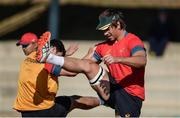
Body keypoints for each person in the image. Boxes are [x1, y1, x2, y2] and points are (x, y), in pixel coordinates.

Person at [36, 9, 147, 117]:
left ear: (118, 24)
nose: (105, 33)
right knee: (88, 65)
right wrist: (58, 59)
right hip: (112, 88)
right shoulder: (102, 47)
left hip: (130, 95)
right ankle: (48, 57)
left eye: (107, 29)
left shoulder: (133, 40)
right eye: (103, 30)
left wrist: (118, 59)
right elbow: (80, 66)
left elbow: (142, 61)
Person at [13, 32, 101, 117]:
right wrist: (89, 57)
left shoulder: (27, 60)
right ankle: (103, 101)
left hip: (25, 112)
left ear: (35, 44)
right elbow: (72, 72)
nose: (23, 48)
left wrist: (65, 54)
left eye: (25, 45)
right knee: (74, 101)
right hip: (45, 110)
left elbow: (46, 59)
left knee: (64, 101)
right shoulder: (46, 63)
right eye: (22, 46)